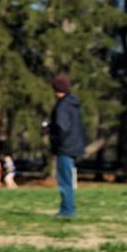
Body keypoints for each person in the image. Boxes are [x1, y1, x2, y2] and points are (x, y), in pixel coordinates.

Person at [47, 73, 84, 218]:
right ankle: (67, 208)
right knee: (68, 178)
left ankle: (67, 210)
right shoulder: (73, 104)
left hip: (65, 147)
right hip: (74, 145)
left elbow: (62, 126)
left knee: (64, 180)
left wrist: (52, 133)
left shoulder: (62, 106)